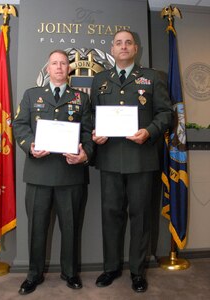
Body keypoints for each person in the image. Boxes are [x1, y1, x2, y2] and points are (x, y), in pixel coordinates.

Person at [91, 30, 173, 293]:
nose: (123, 46)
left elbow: (165, 113)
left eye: (128, 43)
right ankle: (111, 267)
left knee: (140, 217)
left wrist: (149, 131)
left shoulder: (151, 78)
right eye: (118, 43)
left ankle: (138, 271)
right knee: (110, 216)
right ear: (112, 49)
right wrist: (94, 134)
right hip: (110, 158)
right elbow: (91, 115)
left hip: (142, 159)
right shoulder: (101, 79)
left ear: (135, 48)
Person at [13, 49, 93, 295]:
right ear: (47, 69)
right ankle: (33, 275)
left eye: (63, 63)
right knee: (37, 227)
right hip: (39, 172)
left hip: (70, 174)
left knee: (70, 227)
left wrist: (85, 154)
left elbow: (88, 132)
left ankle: (70, 273)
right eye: (54, 63)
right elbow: (20, 125)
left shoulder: (82, 98)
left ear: (68, 69)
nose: (59, 67)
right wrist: (29, 145)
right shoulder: (31, 95)